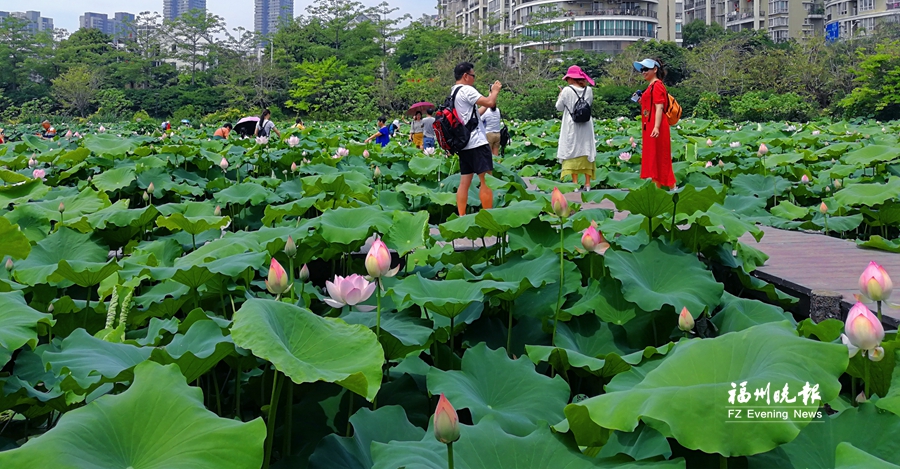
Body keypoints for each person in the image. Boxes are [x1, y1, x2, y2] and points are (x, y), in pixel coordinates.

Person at [450, 62, 501, 216]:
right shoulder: (467, 89)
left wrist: (489, 97)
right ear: (465, 76)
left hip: (464, 144)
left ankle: (461, 216)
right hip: (477, 142)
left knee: (464, 183)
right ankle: (488, 216)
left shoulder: (454, 92)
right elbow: (491, 102)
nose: (474, 79)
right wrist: (495, 91)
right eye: (473, 75)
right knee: (486, 182)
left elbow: (475, 113)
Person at [635, 58, 675, 189]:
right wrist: (640, 99)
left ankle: (671, 187)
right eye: (642, 70)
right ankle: (656, 188)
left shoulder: (657, 85)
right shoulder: (651, 86)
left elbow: (659, 107)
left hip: (656, 126)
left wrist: (657, 127)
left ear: (655, 69)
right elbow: (649, 106)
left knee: (660, 156)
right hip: (650, 126)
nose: (643, 72)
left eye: (646, 69)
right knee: (653, 157)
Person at [555, 65, 597, 192]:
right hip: (586, 125)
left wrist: (560, 95)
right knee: (585, 149)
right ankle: (588, 184)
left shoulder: (567, 91)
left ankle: (575, 184)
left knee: (572, 150)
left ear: (571, 79)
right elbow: (588, 104)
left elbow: (559, 107)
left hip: (571, 124)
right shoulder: (588, 90)